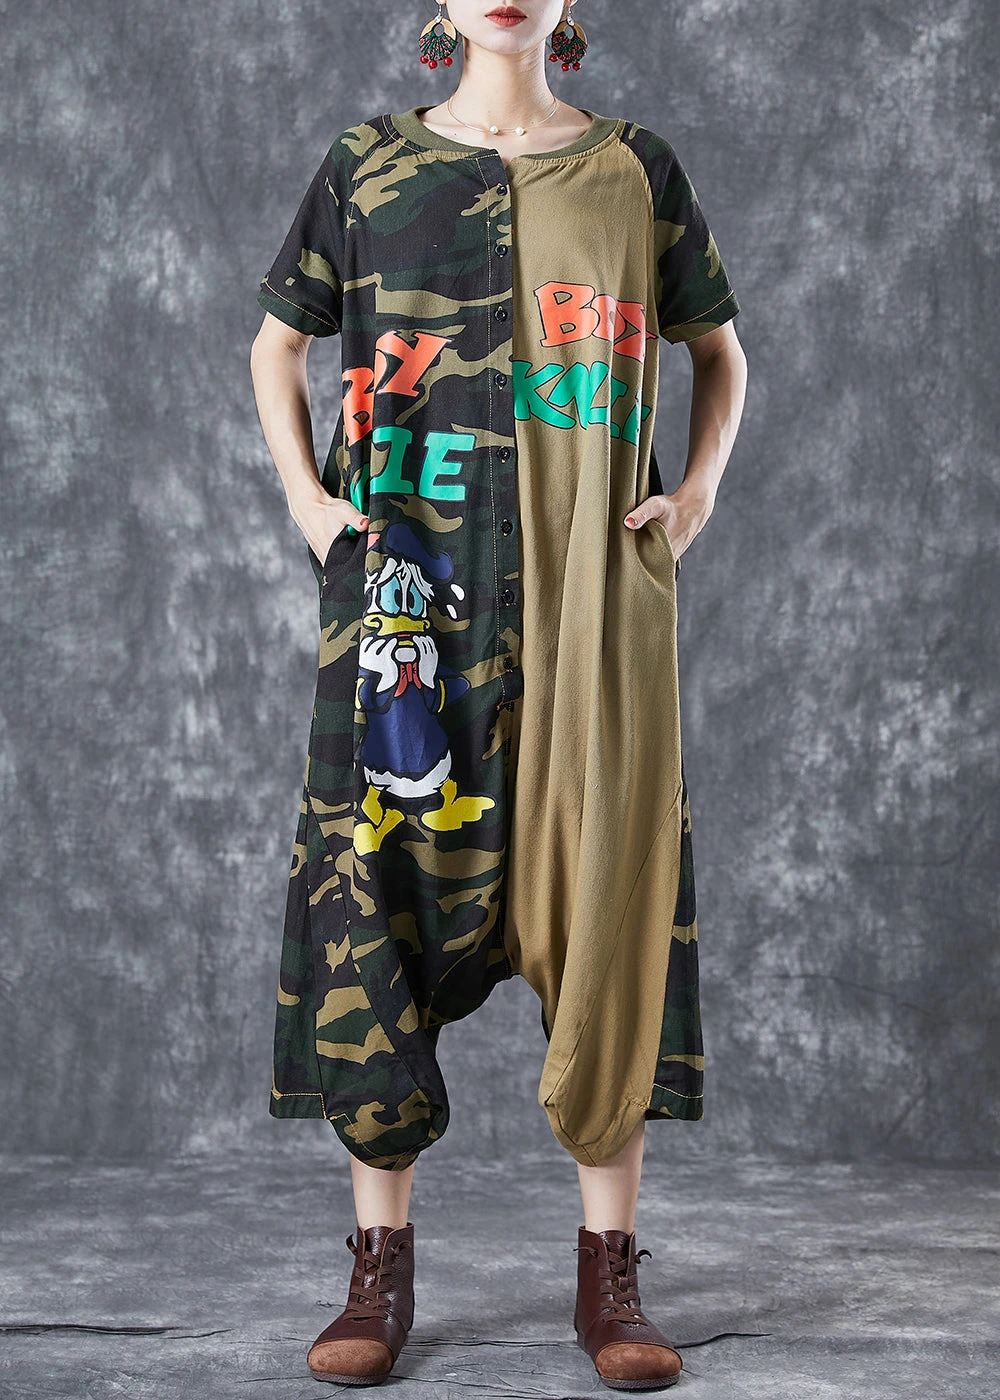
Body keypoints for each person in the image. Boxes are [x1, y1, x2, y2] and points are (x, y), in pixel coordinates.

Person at [249, 0, 747, 1389]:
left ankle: (611, 1279)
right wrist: (311, 507)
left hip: (594, 605)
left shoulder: (635, 168)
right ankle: (377, 1274)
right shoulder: (367, 168)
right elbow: (276, 343)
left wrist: (694, 498)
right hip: (409, 591)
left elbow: (720, 345)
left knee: (608, 902)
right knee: (376, 891)